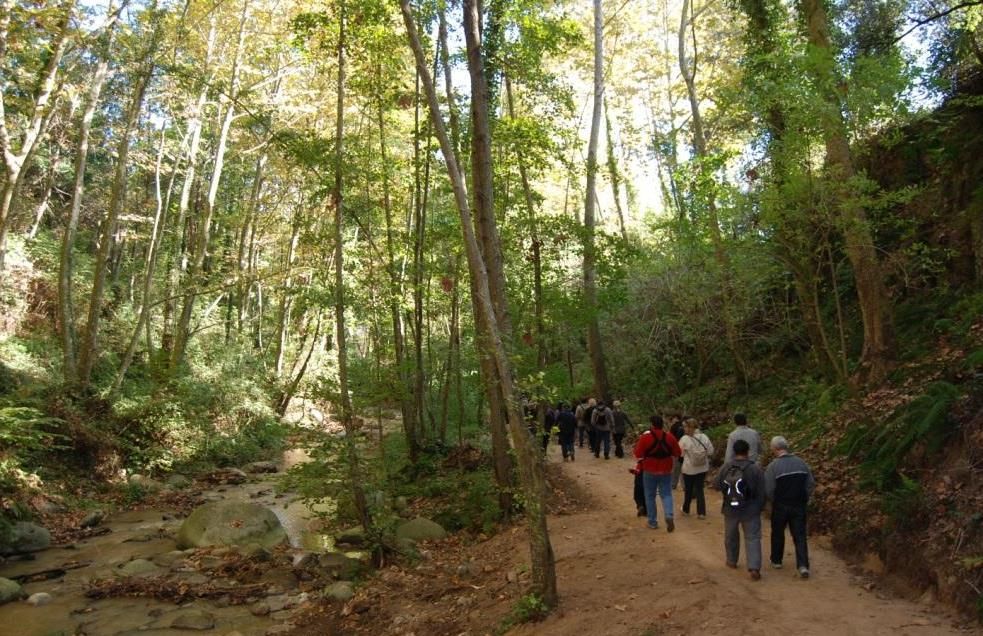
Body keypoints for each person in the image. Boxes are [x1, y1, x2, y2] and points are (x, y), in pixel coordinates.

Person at [765, 435, 816, 578]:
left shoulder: (773, 466)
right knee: (799, 535)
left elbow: (768, 489)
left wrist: (774, 500)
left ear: (775, 448)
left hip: (781, 505)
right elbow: (810, 484)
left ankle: (776, 560)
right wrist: (804, 497)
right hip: (799, 504)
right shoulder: (801, 463)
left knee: (778, 532)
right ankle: (803, 565)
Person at [715, 439, 766, 580]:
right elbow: (762, 490)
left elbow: (717, 484)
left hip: (730, 508)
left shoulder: (726, 467)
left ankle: (731, 561)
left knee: (731, 535)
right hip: (751, 509)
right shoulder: (755, 468)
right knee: (753, 537)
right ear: (748, 452)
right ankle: (754, 567)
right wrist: (760, 506)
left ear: (734, 452)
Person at [633, 415, 682, 532]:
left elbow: (638, 453)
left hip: (649, 469)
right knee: (666, 494)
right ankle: (669, 515)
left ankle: (652, 522)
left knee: (650, 496)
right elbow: (677, 453)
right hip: (666, 469)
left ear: (652, 425)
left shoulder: (645, 437)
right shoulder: (670, 437)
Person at [679, 418, 714, 519]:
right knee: (699, 489)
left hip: (689, 468)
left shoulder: (684, 439)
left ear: (690, 427)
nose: (684, 428)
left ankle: (686, 509)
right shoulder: (704, 437)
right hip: (702, 468)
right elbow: (711, 451)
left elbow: (680, 454)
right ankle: (701, 512)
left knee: (688, 490)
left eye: (685, 426)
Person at [670, 416, 685, 489]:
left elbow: (671, 438)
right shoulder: (684, 427)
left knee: (675, 468)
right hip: (685, 450)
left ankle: (673, 484)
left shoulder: (674, 426)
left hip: (675, 450)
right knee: (683, 469)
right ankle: (684, 485)